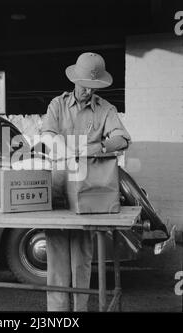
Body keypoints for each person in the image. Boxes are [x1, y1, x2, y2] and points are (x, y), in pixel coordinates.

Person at [41, 52, 131, 311]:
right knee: (57, 260)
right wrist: (62, 148)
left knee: (81, 259)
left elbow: (123, 139)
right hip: (58, 191)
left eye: (92, 87)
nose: (86, 91)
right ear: (74, 80)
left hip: (89, 193)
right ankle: (58, 315)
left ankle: (80, 313)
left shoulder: (105, 109)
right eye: (83, 85)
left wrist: (99, 147)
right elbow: (46, 132)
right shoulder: (57, 105)